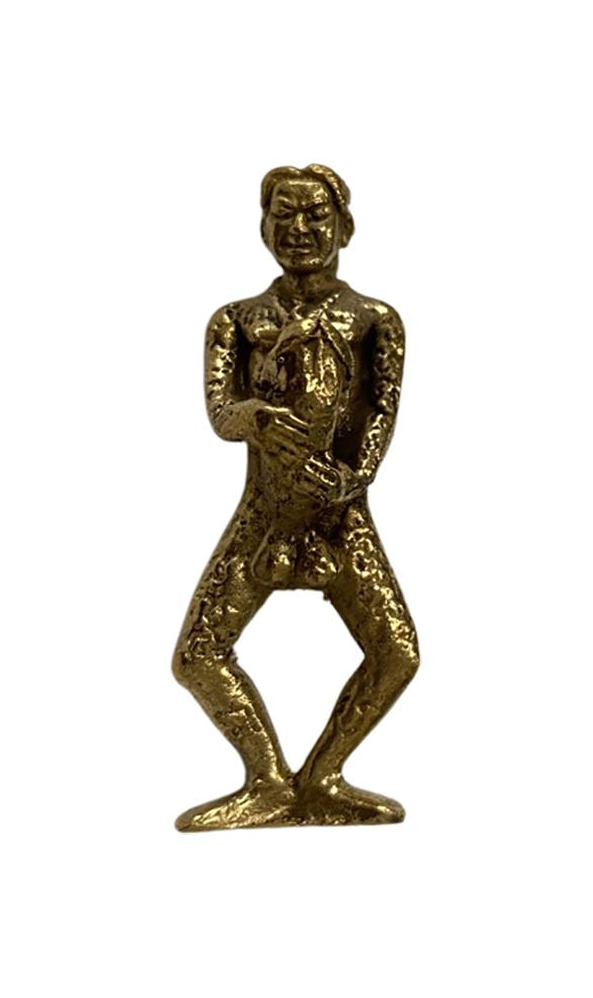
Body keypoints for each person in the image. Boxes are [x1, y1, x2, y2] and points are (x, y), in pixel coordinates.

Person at [172, 164, 420, 830]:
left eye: (315, 215)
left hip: (339, 517)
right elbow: (220, 410)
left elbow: (380, 412)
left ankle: (321, 777)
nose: (300, 229)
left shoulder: (374, 320)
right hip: (264, 514)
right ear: (263, 228)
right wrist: (255, 416)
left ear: (345, 226)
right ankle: (267, 781)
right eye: (283, 215)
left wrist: (352, 478)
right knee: (197, 657)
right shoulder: (236, 321)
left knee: (396, 654)